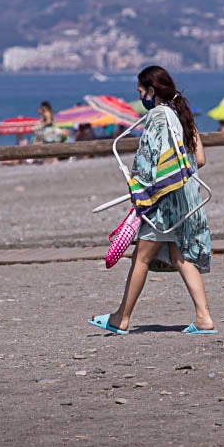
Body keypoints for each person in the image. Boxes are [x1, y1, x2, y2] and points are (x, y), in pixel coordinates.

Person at [89, 66, 215, 336]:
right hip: (186, 195)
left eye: (140, 92)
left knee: (141, 257)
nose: (140, 97)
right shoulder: (180, 115)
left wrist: (137, 186)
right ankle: (203, 317)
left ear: (151, 91)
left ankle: (121, 318)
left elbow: (148, 161)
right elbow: (199, 160)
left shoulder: (158, 117)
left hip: (164, 198)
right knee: (179, 254)